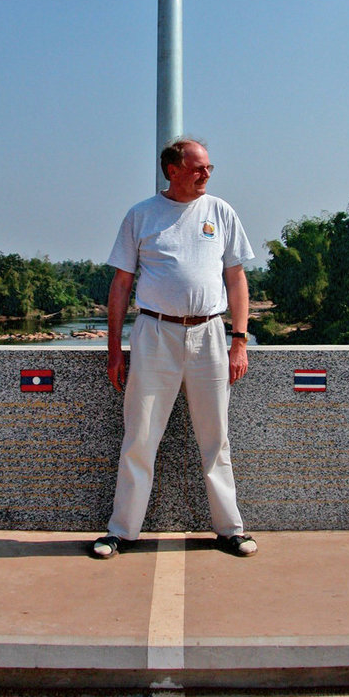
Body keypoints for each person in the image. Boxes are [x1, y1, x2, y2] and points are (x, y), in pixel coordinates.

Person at [93, 138, 257, 559]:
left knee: (215, 437)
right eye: (198, 167)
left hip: (210, 336)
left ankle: (230, 529)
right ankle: (122, 530)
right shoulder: (141, 215)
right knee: (140, 436)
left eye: (208, 168)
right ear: (172, 169)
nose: (206, 174)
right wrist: (115, 350)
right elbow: (121, 285)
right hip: (154, 334)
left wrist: (239, 340)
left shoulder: (220, 212)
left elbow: (235, 278)